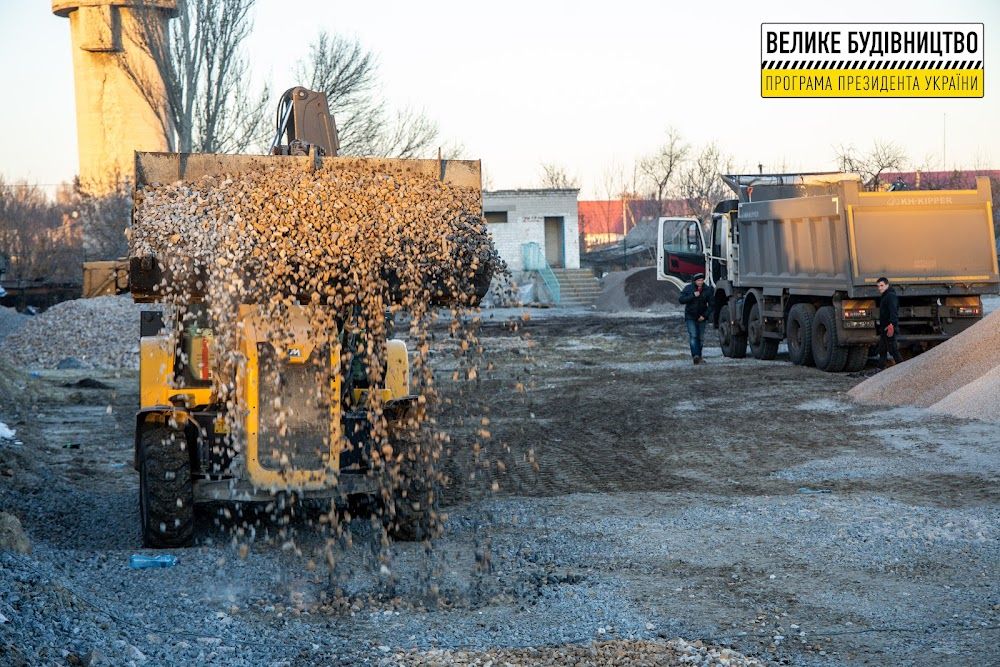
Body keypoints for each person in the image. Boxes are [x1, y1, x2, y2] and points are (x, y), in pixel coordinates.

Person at [678, 272, 714, 364]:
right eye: (698, 280)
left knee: (701, 338)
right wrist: (693, 295)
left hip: (702, 316)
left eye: (702, 280)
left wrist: (705, 316)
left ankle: (699, 356)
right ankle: (696, 356)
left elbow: (711, 305)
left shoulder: (708, 290)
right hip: (690, 316)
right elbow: (681, 300)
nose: (700, 282)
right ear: (695, 281)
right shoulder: (688, 288)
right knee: (693, 336)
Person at [876, 276, 903, 369]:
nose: (880, 288)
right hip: (885, 328)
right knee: (882, 349)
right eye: (878, 286)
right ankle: (880, 368)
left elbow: (893, 311)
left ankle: (902, 367)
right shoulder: (885, 296)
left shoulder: (890, 296)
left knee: (893, 349)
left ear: (887, 285)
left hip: (889, 327)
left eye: (882, 285)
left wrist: (892, 325)